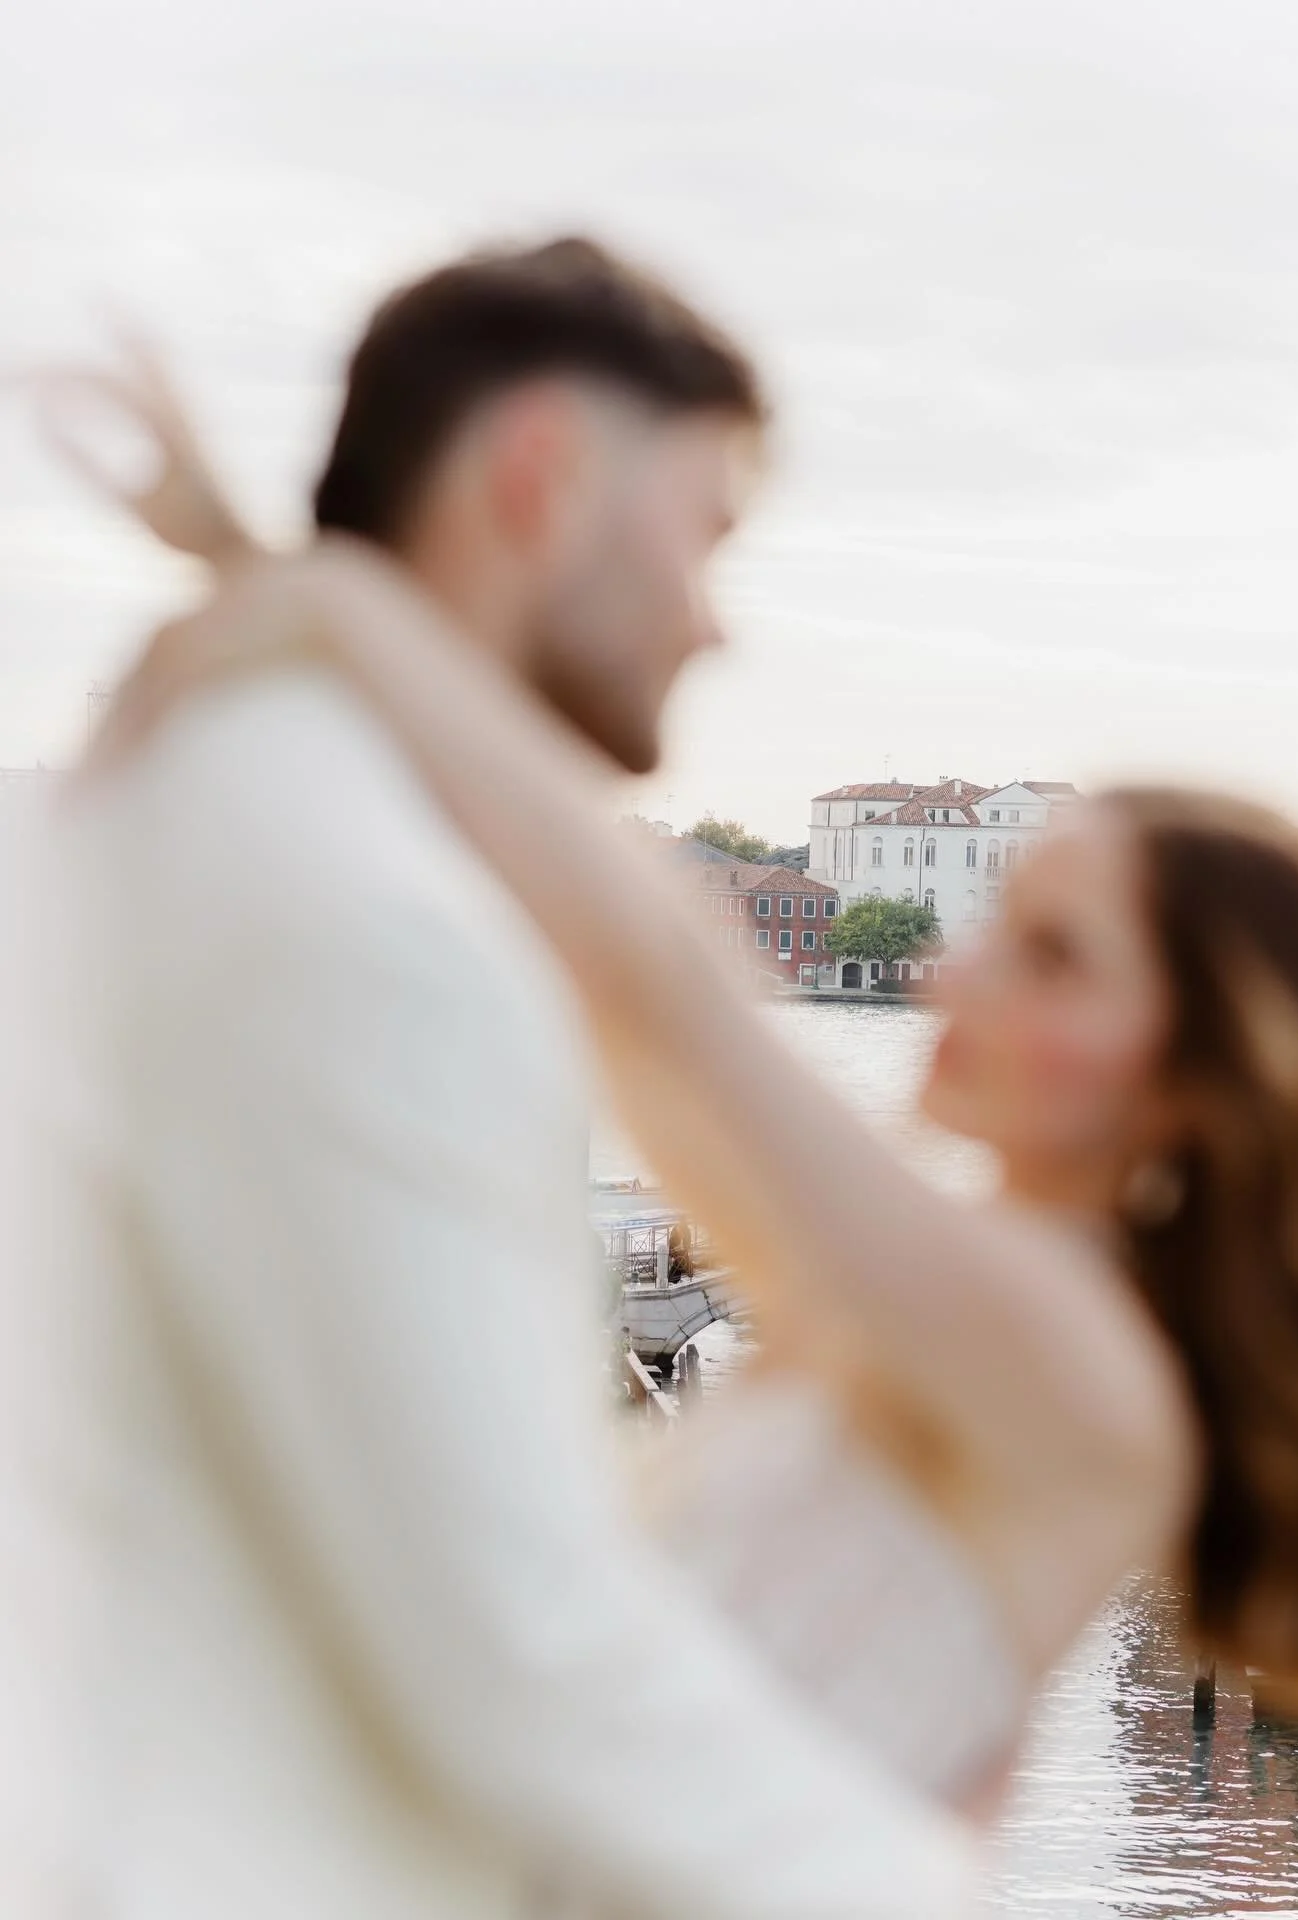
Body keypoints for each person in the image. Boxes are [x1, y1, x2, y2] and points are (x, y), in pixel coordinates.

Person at [71, 397, 1298, 1808]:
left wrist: (323, 603)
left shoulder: (1070, 1352)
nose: (954, 982)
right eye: (1003, 928)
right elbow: (634, 1011)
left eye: (1053, 956)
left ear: (1206, 1076)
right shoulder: (951, 1305)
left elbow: (661, 977)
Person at [11, 242, 988, 1918]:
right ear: (539, 473)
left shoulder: (182, 814)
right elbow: (529, 1663)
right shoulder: (375, 919)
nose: (714, 617)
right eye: (706, 532)